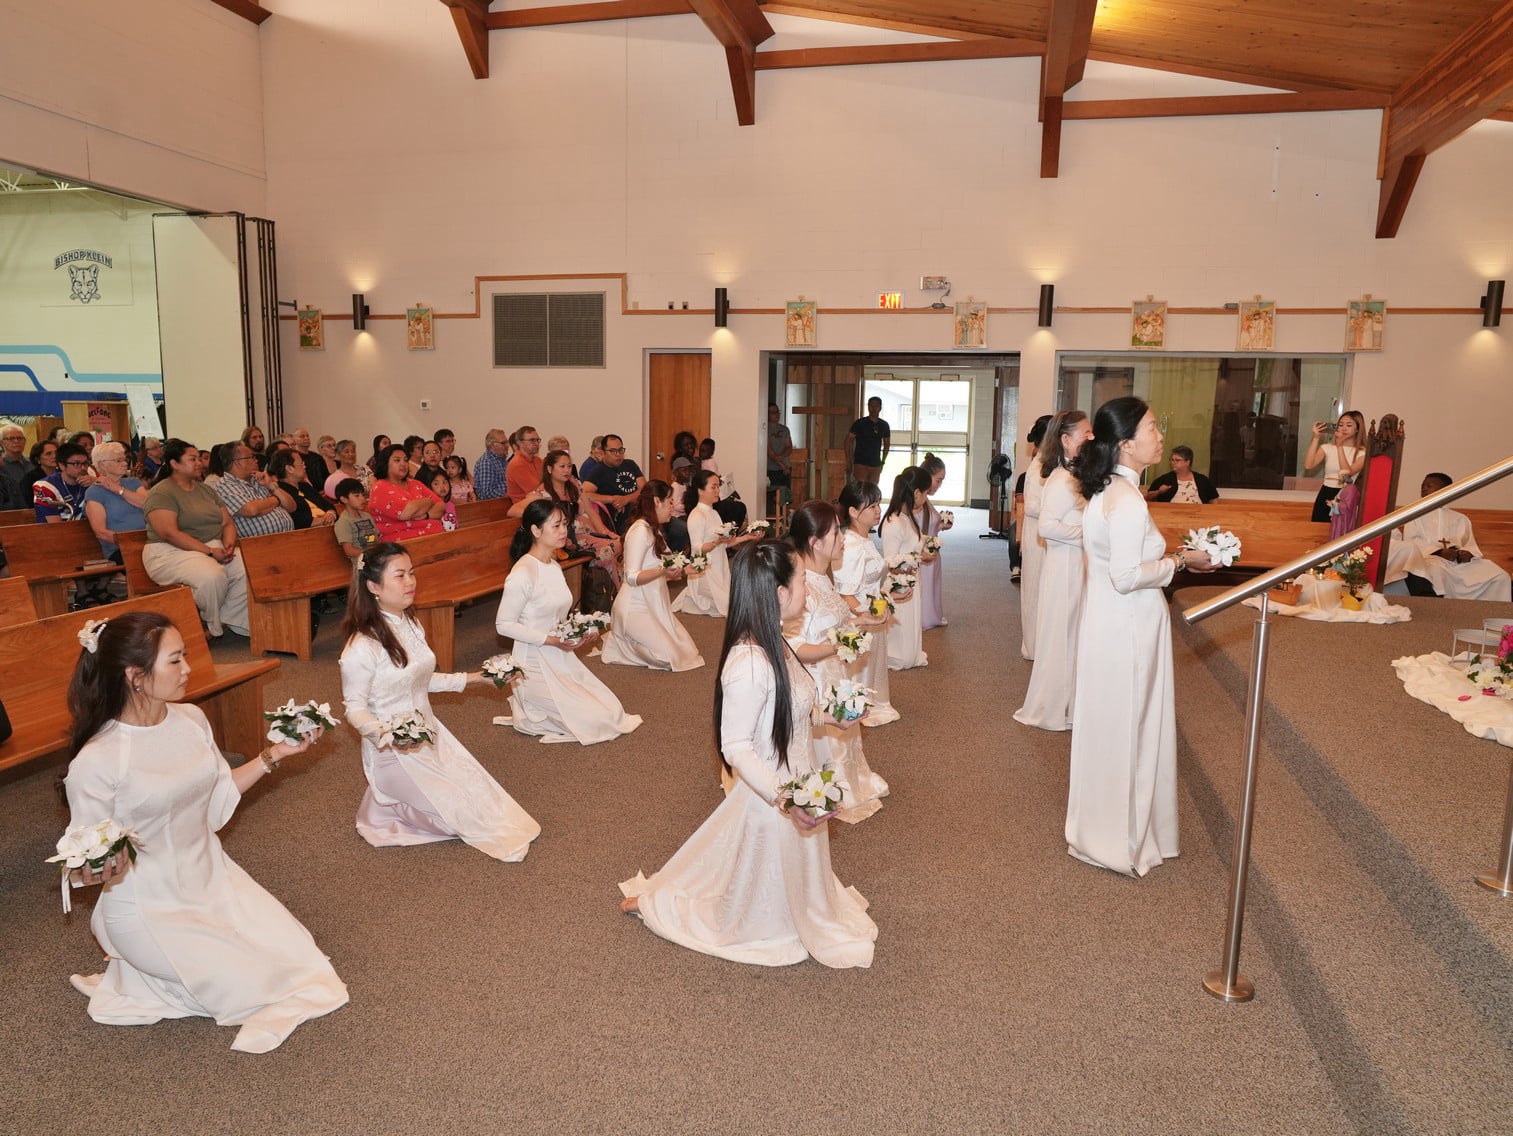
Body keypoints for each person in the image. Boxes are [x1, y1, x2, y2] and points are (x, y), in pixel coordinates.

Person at [60, 611, 347, 1052]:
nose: (188, 669)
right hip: (145, 906)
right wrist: (99, 869)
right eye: (174, 661)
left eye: (185, 656)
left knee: (297, 961)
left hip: (211, 879)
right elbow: (81, 863)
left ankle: (150, 976)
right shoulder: (97, 761)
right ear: (136, 676)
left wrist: (276, 755)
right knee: (249, 984)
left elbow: (213, 801)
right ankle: (143, 974)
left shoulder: (191, 719)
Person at [618, 539, 877, 969]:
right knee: (751, 900)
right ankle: (659, 904)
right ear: (778, 594)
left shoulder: (776, 639)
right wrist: (784, 799)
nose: (808, 592)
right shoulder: (749, 663)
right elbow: (736, 747)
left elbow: (791, 707)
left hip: (795, 779)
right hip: (771, 793)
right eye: (800, 584)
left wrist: (830, 716)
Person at [1066, 397, 1214, 878]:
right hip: (1130, 626)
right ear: (1126, 444)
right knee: (1133, 722)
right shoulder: (1127, 500)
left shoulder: (1107, 490)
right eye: (1152, 427)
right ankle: (1125, 835)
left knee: (1115, 723)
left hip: (1111, 625)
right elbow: (1128, 576)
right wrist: (1180, 563)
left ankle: (1105, 824)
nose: (1160, 435)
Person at [339, 542, 541, 860]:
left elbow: (421, 680)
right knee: (457, 819)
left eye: (412, 573)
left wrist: (475, 678)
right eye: (400, 575)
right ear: (374, 586)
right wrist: (388, 735)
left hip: (430, 735)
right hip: (393, 752)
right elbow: (354, 707)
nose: (410, 582)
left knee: (485, 802)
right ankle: (389, 803)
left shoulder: (410, 623)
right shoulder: (361, 647)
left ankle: (395, 801)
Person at [494, 500, 642, 744]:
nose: (564, 531)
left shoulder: (552, 565)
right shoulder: (522, 573)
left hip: (559, 654)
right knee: (593, 721)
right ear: (535, 531)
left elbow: (558, 615)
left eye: (564, 524)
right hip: (533, 662)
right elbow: (504, 624)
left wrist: (581, 631)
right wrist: (551, 639)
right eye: (556, 526)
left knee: (610, 712)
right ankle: (530, 705)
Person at [786, 500, 889, 821]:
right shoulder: (802, 585)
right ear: (815, 543)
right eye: (835, 533)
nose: (843, 538)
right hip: (812, 678)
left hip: (832, 672)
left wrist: (860, 624)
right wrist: (838, 647)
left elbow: (829, 625)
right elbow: (796, 647)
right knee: (826, 736)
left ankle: (843, 779)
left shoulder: (820, 575)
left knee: (843, 734)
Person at [1014, 411, 1092, 732]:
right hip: (1064, 565)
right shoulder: (1060, 478)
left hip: (1076, 563)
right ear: (1066, 439)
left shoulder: (1075, 475)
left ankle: (1070, 703)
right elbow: (1046, 526)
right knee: (1061, 632)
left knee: (1073, 633)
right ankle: (1051, 705)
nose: (1091, 438)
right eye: (1086, 433)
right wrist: (1087, 533)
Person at [142, 440, 250, 638]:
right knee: (212, 576)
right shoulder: (161, 492)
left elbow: (227, 523)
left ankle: (224, 620)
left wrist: (228, 544)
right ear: (174, 464)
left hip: (210, 549)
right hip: (170, 552)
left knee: (249, 568)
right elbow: (169, 533)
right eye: (192, 459)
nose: (199, 462)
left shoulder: (207, 490)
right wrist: (209, 552)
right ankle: (212, 626)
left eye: (199, 458)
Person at [601, 482, 704, 672]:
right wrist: (664, 570)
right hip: (634, 607)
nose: (672, 508)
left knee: (686, 652)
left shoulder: (653, 529)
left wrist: (685, 569)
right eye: (670, 502)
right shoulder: (640, 530)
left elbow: (665, 566)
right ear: (657, 501)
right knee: (666, 657)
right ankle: (623, 644)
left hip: (654, 604)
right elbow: (632, 577)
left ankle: (632, 638)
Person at [833, 480, 900, 727]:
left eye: (878, 504)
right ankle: (856, 703)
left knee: (873, 661)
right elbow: (845, 593)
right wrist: (866, 614)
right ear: (852, 511)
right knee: (860, 664)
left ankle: (870, 701)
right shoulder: (851, 546)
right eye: (871, 506)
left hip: (872, 611)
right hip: (860, 615)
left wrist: (888, 596)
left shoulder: (864, 539)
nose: (878, 510)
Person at [1385, 473, 1513, 601]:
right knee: (1434, 571)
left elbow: (1470, 544)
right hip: (1430, 558)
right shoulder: (1414, 516)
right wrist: (1439, 551)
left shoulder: (1460, 519)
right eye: (1423, 486)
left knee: (1499, 576)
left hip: (1458, 563)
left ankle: (1497, 615)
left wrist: (1467, 554)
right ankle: (1442, 611)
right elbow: (1412, 541)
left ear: (1445, 490)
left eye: (1429, 485)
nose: (1424, 488)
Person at [672, 470, 751, 617]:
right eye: (713, 487)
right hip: (706, 572)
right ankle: (693, 597)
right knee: (736, 609)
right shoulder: (696, 515)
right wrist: (717, 541)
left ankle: (693, 599)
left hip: (719, 569)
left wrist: (748, 537)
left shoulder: (713, 513)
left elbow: (724, 544)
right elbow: (697, 549)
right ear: (700, 490)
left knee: (740, 601)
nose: (717, 490)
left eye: (718, 487)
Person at [880, 467, 931, 670]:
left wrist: (922, 554)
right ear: (916, 492)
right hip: (900, 583)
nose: (926, 498)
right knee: (901, 627)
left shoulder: (907, 517)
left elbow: (912, 547)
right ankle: (897, 654)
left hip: (912, 578)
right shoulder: (893, 522)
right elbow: (890, 561)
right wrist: (909, 564)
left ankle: (910, 653)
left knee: (912, 624)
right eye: (926, 493)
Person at [1018, 414, 1052, 655]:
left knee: (1045, 591)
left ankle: (1043, 641)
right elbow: (1030, 506)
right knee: (1035, 590)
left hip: (1045, 535)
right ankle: (1034, 644)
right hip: (1038, 536)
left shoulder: (1049, 463)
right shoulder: (1038, 467)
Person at [82, 441, 149, 562]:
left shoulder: (133, 482)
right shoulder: (94, 492)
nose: (125, 463)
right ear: (102, 465)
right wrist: (130, 543)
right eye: (118, 460)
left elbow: (148, 504)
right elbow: (101, 532)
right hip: (120, 549)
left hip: (148, 543)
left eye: (125, 459)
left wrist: (118, 489)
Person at [216, 443, 296, 539]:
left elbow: (292, 507)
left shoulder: (258, 479)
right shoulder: (225, 485)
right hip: (259, 545)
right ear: (238, 462)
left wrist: (272, 486)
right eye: (252, 457)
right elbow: (252, 510)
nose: (256, 460)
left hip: (287, 537)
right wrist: (276, 500)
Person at [368, 444, 445, 541]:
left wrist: (426, 515)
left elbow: (441, 506)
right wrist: (429, 501)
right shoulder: (380, 486)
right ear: (385, 463)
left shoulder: (414, 483)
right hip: (401, 545)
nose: (403, 464)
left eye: (405, 460)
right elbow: (406, 512)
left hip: (433, 536)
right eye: (397, 460)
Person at [1302, 411, 1365, 523]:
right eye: (1341, 425)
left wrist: (1340, 446)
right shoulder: (1327, 448)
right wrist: (1316, 438)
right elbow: (1308, 465)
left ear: (1357, 429)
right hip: (1325, 492)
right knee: (1318, 531)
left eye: (1349, 425)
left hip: (1345, 496)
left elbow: (1346, 474)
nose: (1344, 428)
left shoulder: (1362, 452)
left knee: (1340, 532)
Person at [916, 452, 954, 629]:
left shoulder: (926, 500)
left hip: (932, 549)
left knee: (933, 583)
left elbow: (929, 524)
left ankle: (932, 614)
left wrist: (940, 525)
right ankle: (924, 617)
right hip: (923, 552)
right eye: (938, 480)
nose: (940, 484)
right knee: (925, 583)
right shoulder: (918, 499)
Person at [582, 433, 645, 529]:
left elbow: (645, 490)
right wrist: (612, 499)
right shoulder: (598, 471)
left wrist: (626, 499)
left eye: (620, 450)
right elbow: (584, 494)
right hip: (621, 519)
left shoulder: (630, 465)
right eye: (613, 451)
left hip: (641, 512)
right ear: (603, 453)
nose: (618, 454)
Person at [266, 448, 336, 530]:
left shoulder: (304, 486)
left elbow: (327, 504)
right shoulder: (281, 491)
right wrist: (323, 521)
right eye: (301, 464)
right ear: (290, 469)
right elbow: (297, 520)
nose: (305, 467)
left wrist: (331, 514)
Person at [34, 442, 92, 523]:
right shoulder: (45, 487)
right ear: (62, 465)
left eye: (85, 463)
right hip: (53, 533)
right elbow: (56, 526)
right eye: (76, 464)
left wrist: (97, 483)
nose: (83, 468)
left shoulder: (91, 482)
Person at [1145, 445, 1220, 504]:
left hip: (1197, 515)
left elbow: (1214, 500)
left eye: (1177, 460)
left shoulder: (1202, 480)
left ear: (1187, 462)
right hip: (1170, 516)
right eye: (1172, 460)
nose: (1173, 462)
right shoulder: (1164, 479)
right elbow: (1148, 497)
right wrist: (1159, 492)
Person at [846, 396, 890, 485]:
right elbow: (848, 441)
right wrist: (849, 461)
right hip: (860, 463)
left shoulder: (884, 425)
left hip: (876, 463)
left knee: (872, 490)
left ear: (880, 408)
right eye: (871, 406)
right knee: (861, 489)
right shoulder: (860, 423)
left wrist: (883, 462)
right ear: (868, 407)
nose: (873, 408)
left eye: (876, 406)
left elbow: (887, 444)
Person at [332, 478, 380, 561]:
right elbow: (349, 551)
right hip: (362, 564)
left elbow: (377, 539)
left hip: (375, 558)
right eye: (357, 495)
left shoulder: (367, 516)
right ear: (344, 499)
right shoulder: (343, 522)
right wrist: (370, 554)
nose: (362, 499)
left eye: (363, 495)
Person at [503, 424, 544, 502]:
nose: (536, 443)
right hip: (526, 509)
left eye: (537, 440)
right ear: (520, 443)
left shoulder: (538, 460)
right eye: (532, 440)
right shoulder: (516, 464)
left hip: (540, 504)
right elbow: (536, 490)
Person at [1, 422, 35, 509]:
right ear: (2, 443)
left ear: (25, 441)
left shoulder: (33, 463)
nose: (16, 441)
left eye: (19, 438)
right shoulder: (1, 466)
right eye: (11, 438)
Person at [766, 403, 792, 509]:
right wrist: (781, 464)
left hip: (785, 467)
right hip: (772, 469)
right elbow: (769, 450)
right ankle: (775, 518)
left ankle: (784, 518)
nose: (776, 414)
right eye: (773, 412)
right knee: (774, 497)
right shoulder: (765, 428)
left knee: (785, 496)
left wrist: (782, 457)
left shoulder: (784, 429)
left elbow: (789, 446)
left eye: (777, 411)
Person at [474, 428, 510, 500]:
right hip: (491, 508)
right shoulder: (486, 462)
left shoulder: (502, 460)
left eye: (507, 442)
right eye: (503, 443)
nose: (507, 445)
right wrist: (508, 494)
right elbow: (487, 493)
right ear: (493, 445)